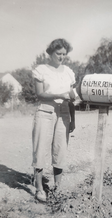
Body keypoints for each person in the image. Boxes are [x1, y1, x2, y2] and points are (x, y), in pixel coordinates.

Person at [32, 38, 78, 202]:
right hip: (46, 112)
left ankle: (58, 187)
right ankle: (39, 189)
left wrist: (73, 120)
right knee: (40, 150)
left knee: (60, 150)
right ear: (50, 53)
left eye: (64, 54)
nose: (61, 57)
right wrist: (59, 95)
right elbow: (40, 94)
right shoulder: (41, 70)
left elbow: (72, 98)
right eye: (58, 53)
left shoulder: (68, 72)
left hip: (64, 113)